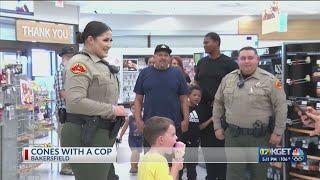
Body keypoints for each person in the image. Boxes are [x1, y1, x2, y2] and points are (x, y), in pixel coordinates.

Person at [61, 21, 127, 180]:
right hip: (85, 135)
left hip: (101, 135)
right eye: (105, 40)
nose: (109, 45)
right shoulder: (80, 64)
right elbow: (75, 101)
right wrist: (112, 110)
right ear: (90, 40)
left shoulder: (100, 64)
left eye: (111, 40)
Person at [213, 46, 287, 180]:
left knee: (259, 174)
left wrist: (278, 132)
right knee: (234, 175)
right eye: (243, 58)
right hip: (233, 137)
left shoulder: (271, 81)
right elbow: (218, 103)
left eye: (250, 58)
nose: (247, 61)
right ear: (238, 60)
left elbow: (281, 106)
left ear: (257, 59)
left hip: (260, 138)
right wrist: (217, 127)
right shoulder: (228, 79)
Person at [194, 32, 238, 180]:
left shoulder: (230, 64)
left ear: (217, 43)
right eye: (204, 42)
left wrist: (221, 101)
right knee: (208, 150)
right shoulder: (202, 63)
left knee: (222, 149)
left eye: (207, 42)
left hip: (224, 111)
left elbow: (237, 87)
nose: (204, 45)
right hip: (204, 110)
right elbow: (197, 84)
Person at [134, 44, 190, 147]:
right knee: (151, 160)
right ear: (154, 57)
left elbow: (184, 100)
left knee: (174, 159)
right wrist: (138, 120)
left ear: (169, 58)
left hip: (173, 126)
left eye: (166, 55)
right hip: (151, 126)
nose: (163, 57)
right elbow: (138, 100)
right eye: (160, 55)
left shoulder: (177, 73)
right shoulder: (144, 73)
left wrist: (186, 120)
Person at [53, 45, 75, 176]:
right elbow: (62, 93)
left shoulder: (68, 70)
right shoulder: (61, 70)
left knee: (71, 139)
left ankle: (70, 166)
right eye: (71, 57)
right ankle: (66, 167)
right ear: (65, 57)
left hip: (70, 111)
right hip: (64, 112)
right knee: (66, 140)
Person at [179, 85, 202, 180]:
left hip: (194, 143)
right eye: (194, 95)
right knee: (179, 166)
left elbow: (200, 126)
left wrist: (211, 119)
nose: (197, 97)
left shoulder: (200, 110)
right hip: (181, 142)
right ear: (188, 95)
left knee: (192, 168)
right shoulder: (182, 109)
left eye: (199, 96)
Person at [118, 103, 143, 174]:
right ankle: (132, 167)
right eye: (133, 108)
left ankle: (135, 166)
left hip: (141, 138)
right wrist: (120, 136)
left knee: (138, 153)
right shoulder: (130, 118)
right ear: (130, 110)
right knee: (134, 152)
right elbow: (124, 128)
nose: (134, 110)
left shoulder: (142, 118)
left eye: (136, 108)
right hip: (132, 139)